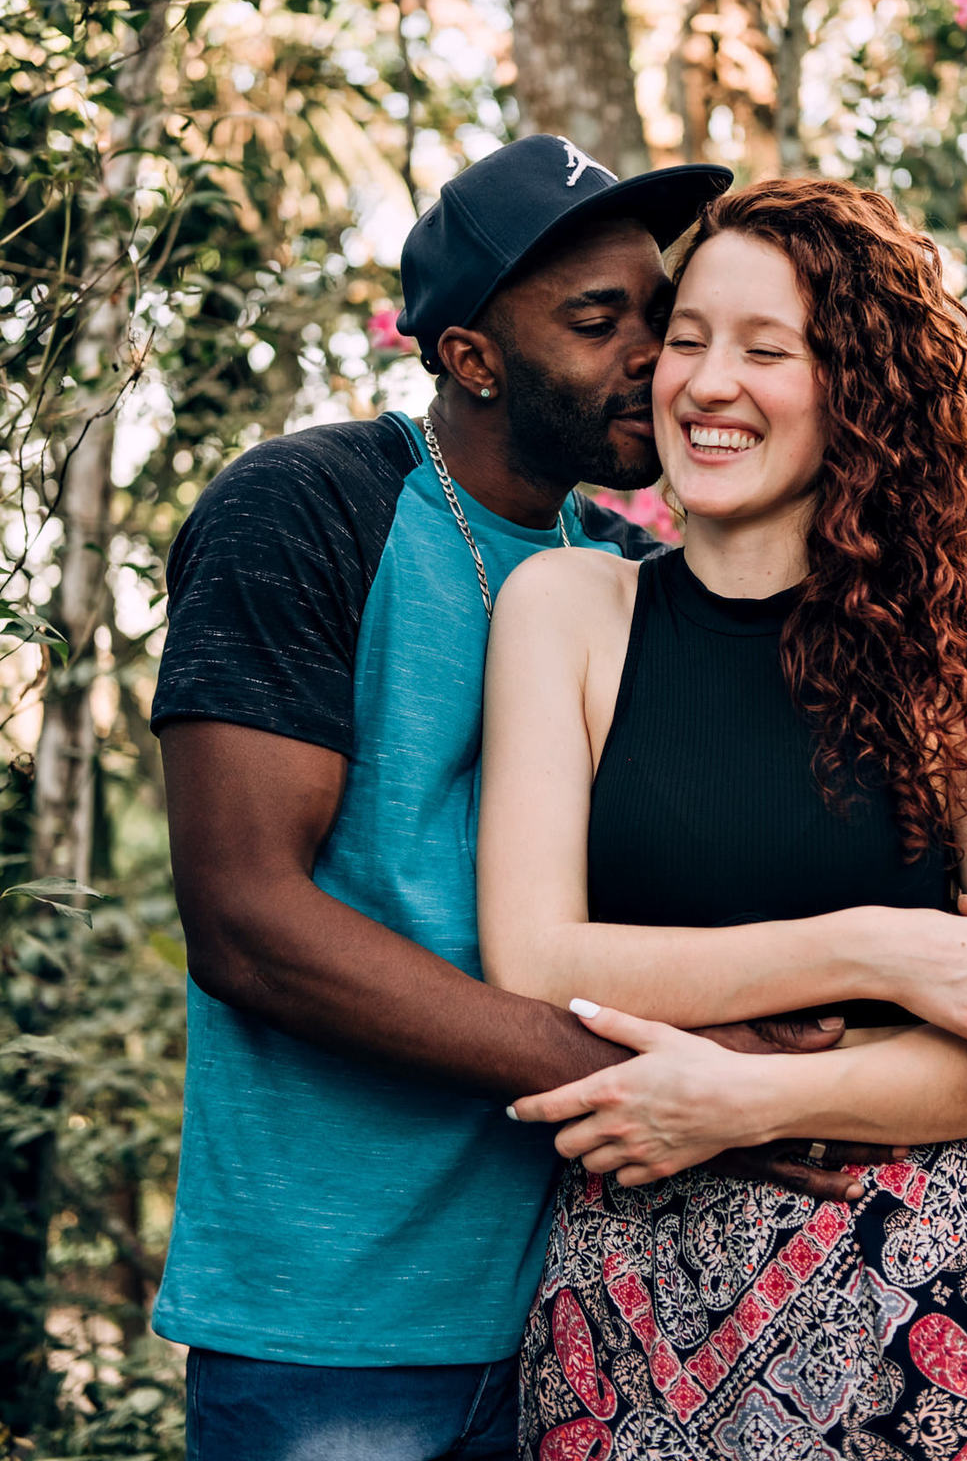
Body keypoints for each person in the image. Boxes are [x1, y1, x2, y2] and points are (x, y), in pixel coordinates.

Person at [151, 135, 918, 1461]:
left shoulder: (626, 572)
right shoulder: (309, 509)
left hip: (595, 1307)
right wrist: (671, 1087)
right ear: (471, 357)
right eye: (596, 319)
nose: (654, 356)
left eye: (658, 317)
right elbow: (247, 924)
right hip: (339, 1321)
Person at [477, 176, 967, 1459]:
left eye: (766, 349)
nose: (708, 383)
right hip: (635, 1318)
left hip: (926, 1301)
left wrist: (740, 1101)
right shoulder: (570, 610)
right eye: (688, 339)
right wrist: (880, 947)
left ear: (857, 388)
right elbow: (537, 958)